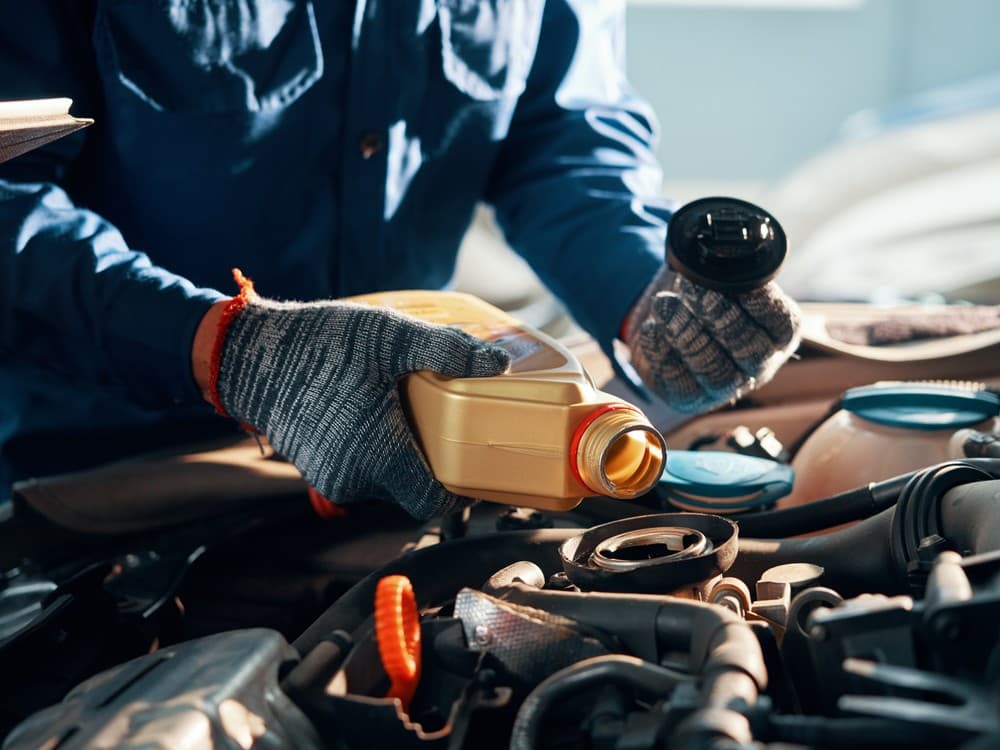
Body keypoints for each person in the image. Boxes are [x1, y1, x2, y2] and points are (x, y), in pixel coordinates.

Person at [0, 0, 799, 519]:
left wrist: (642, 294)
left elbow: (559, 135)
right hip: (97, 481)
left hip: (407, 453)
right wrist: (222, 348)